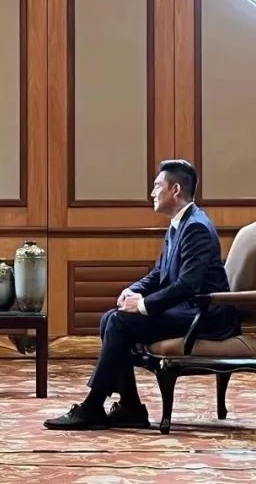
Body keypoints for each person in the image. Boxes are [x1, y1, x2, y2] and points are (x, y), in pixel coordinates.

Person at [44, 160, 240, 430]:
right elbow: (160, 274)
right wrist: (134, 289)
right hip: (187, 310)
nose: (152, 193)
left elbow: (188, 285)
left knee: (118, 322)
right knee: (111, 318)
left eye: (157, 186)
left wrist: (144, 305)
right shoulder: (179, 224)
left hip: (204, 316)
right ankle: (130, 406)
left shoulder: (196, 227)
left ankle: (93, 406)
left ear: (175, 190)